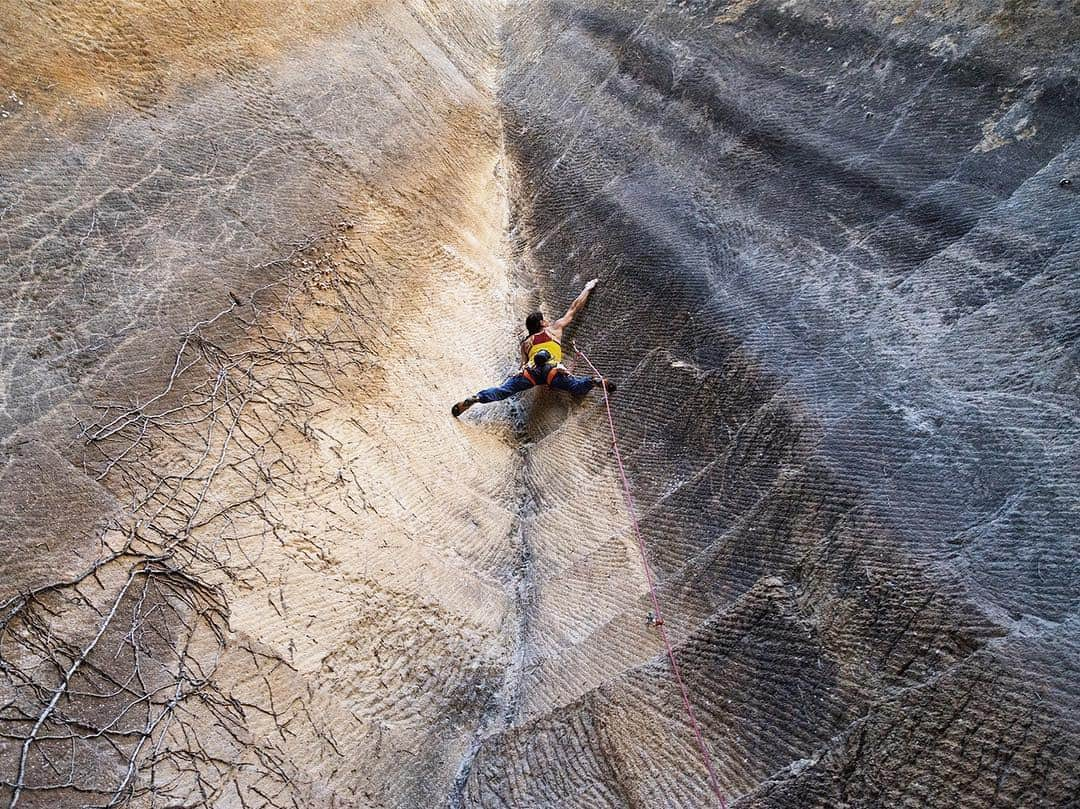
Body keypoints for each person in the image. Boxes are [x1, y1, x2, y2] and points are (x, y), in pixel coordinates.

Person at [452, 278, 615, 417]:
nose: (547, 321)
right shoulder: (554, 329)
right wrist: (588, 287)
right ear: (542, 323)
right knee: (577, 387)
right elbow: (574, 308)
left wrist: (523, 375)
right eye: (544, 320)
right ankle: (594, 381)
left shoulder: (525, 344)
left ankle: (478, 398)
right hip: (553, 371)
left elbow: (522, 366)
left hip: (531, 373)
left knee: (503, 390)